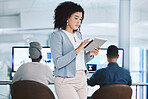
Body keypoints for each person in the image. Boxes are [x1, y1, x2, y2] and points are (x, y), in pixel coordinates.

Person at [50, 1, 100, 99]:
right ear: (66, 18)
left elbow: (79, 60)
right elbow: (58, 63)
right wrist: (77, 50)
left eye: (80, 19)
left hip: (82, 78)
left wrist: (90, 54)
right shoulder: (57, 35)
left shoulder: (78, 35)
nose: (79, 22)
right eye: (76, 18)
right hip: (66, 81)